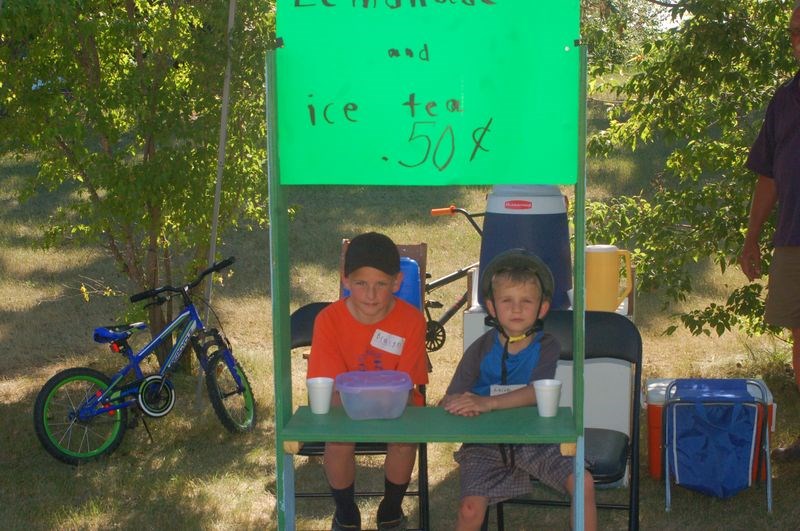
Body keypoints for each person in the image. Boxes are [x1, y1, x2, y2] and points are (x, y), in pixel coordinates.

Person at [440, 249, 597, 530]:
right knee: (469, 508)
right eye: (507, 301)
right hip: (484, 443)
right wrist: (456, 404)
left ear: (542, 308)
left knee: (582, 482)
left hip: (536, 440)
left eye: (526, 301)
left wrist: (487, 403)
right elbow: (451, 397)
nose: (516, 309)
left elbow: (538, 391)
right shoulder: (480, 349)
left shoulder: (546, 346)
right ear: (492, 307)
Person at [307, 231, 428, 531]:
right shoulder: (328, 320)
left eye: (381, 285)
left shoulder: (412, 321)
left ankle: (390, 509)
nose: (371, 295)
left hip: (398, 407)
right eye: (361, 284)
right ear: (345, 280)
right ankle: (346, 512)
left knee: (405, 439)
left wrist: (377, 402)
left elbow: (409, 388)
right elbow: (329, 388)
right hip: (344, 406)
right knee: (337, 439)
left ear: (397, 283)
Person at [739, 0, 800, 461]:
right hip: (793, 239)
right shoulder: (785, 99)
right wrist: (752, 235)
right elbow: (769, 175)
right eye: (794, 33)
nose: (797, 41)